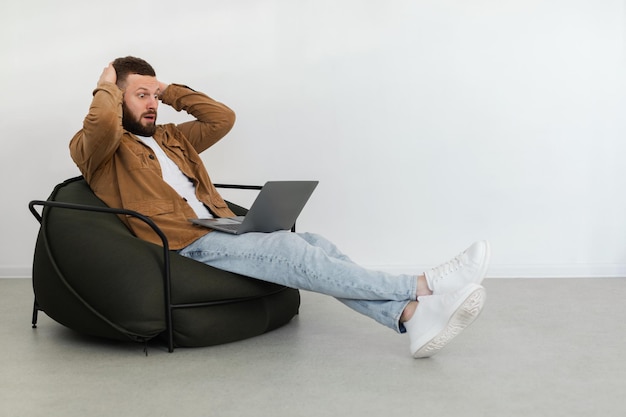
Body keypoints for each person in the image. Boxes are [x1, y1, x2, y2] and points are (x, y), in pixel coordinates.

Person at [70, 56, 490, 358]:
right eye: (140, 95)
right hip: (184, 239)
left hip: (219, 224)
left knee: (314, 242)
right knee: (291, 250)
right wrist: (106, 84)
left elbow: (222, 118)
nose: (151, 104)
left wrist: (169, 90)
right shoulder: (98, 150)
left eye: (154, 97)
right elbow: (102, 124)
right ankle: (422, 285)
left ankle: (412, 317)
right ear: (114, 96)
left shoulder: (170, 138)